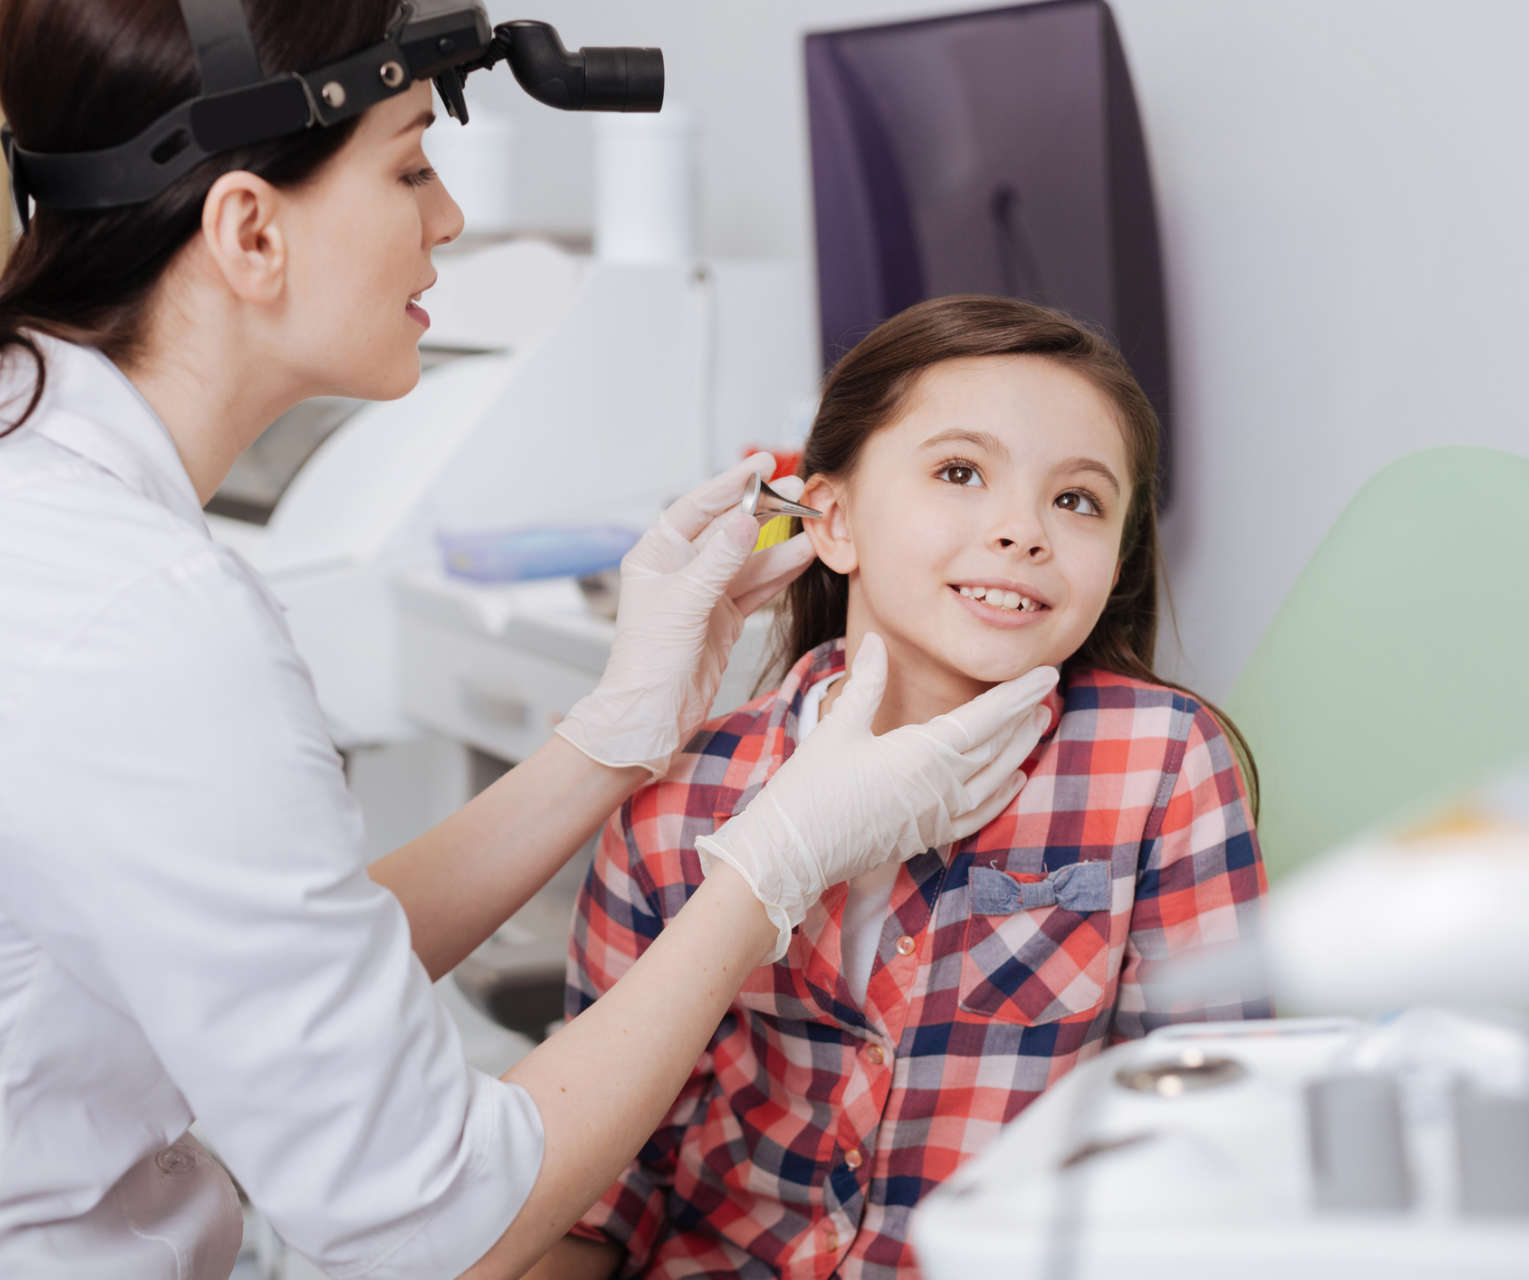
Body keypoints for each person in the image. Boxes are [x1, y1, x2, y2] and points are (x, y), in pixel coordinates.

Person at [0, 7, 1058, 1279]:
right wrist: (767, 872)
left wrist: (612, 736)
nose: (451, 220)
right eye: (412, 165)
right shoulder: (115, 609)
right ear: (248, 229)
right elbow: (435, 1218)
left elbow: (297, 967)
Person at [539, 296, 1271, 1279]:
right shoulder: (683, 792)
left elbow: (1210, 1138)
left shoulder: (1161, 764)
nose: (1023, 530)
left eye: (1079, 499)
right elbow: (598, 1193)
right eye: (960, 472)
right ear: (833, 518)